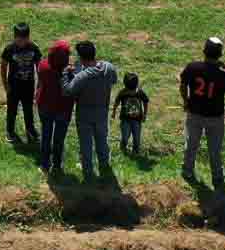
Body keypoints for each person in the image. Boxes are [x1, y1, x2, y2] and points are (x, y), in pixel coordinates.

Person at [179, 37, 225, 189]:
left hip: (195, 113)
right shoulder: (223, 72)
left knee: (191, 144)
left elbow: (183, 84)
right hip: (215, 116)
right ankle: (217, 177)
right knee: (215, 149)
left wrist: (186, 100)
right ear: (220, 54)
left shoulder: (193, 67)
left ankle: (187, 171)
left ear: (204, 51)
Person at [67, 38, 118, 181]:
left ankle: (87, 169)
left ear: (81, 58)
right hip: (102, 111)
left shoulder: (82, 76)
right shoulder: (109, 67)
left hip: (84, 113)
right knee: (102, 139)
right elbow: (114, 80)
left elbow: (69, 90)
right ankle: (104, 164)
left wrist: (67, 74)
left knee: (86, 143)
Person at [0, 25, 42, 152]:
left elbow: (39, 67)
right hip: (14, 85)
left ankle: (30, 130)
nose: (22, 42)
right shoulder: (9, 49)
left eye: (24, 39)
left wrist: (39, 85)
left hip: (28, 85)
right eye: (19, 39)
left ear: (28, 37)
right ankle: (10, 130)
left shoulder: (34, 48)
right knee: (12, 109)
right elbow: (3, 66)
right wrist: (5, 85)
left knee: (28, 109)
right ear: (14, 37)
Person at [34, 41, 72, 176]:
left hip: (45, 106)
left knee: (46, 135)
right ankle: (56, 165)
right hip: (63, 109)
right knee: (59, 139)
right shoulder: (68, 73)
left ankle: (45, 164)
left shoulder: (43, 66)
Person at [117, 70, 150, 164]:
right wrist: (114, 111)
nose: (131, 92)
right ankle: (123, 147)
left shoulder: (140, 92)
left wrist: (145, 114)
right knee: (125, 135)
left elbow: (146, 101)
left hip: (137, 119)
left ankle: (136, 151)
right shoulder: (123, 92)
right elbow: (117, 101)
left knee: (137, 137)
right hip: (125, 119)